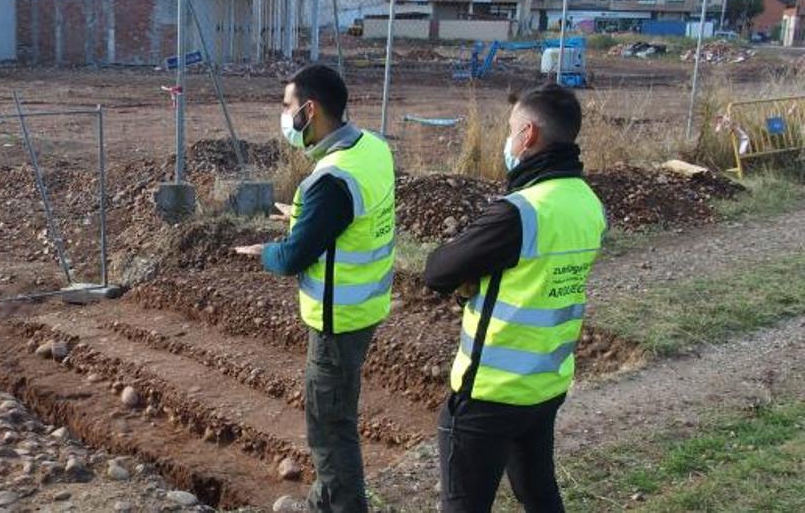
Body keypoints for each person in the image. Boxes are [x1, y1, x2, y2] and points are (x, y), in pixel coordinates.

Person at [423, 83, 605, 513]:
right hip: (545, 385)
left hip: (489, 395)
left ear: (528, 136)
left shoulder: (519, 211)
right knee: (540, 494)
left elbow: (438, 270)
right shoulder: (588, 205)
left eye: (510, 129)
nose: (506, 140)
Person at [234, 64, 396, 513]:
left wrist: (262, 250)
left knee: (330, 427)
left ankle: (340, 506)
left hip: (336, 321)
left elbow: (291, 258)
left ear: (310, 110)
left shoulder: (329, 181)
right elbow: (354, 219)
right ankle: (327, 500)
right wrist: (303, 218)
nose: (284, 117)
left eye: (287, 106)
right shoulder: (374, 149)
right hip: (367, 307)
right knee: (337, 416)